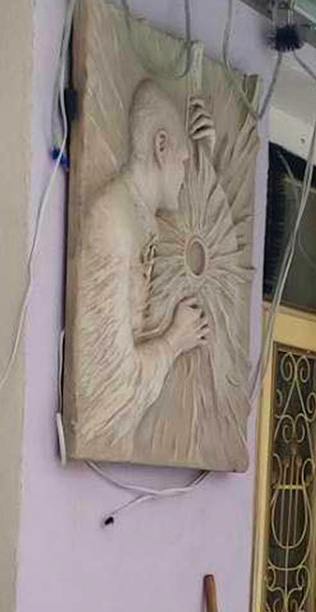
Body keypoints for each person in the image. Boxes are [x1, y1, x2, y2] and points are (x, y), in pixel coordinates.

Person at [73, 80, 218, 455]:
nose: (186, 172)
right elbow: (109, 389)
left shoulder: (145, 218)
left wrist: (205, 156)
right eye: (184, 161)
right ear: (161, 146)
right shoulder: (113, 223)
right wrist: (174, 341)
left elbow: (194, 241)